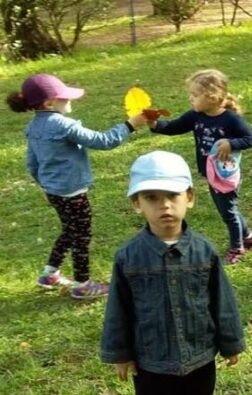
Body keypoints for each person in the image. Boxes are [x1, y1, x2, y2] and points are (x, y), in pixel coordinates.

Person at [101, 151, 245, 395]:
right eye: (152, 198)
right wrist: (121, 354)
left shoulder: (204, 251)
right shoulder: (128, 256)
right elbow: (118, 309)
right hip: (152, 358)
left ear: (190, 199)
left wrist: (230, 341)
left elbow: (221, 299)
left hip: (199, 352)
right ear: (137, 204)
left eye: (172, 196)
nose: (164, 205)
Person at [6, 73, 149, 299]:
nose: (70, 100)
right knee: (82, 235)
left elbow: (32, 163)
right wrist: (130, 125)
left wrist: (44, 186)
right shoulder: (64, 125)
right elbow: (104, 141)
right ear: (49, 102)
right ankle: (82, 285)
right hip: (72, 192)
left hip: (54, 191)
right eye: (65, 97)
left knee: (69, 230)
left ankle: (49, 274)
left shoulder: (33, 127)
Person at [150, 69, 252, 264]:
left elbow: (249, 140)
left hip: (226, 174)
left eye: (195, 95)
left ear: (212, 96)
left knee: (228, 211)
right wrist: (155, 124)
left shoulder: (230, 119)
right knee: (228, 208)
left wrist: (231, 143)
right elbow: (174, 127)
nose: (191, 99)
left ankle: (237, 247)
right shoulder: (196, 116)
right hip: (210, 173)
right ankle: (248, 237)